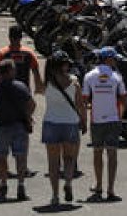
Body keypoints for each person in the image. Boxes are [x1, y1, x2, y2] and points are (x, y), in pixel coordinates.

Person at [0, 59, 35, 202]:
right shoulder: (21, 87)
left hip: (2, 126)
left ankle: (4, 183)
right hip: (19, 126)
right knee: (20, 157)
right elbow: (32, 104)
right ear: (11, 71)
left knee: (1, 156)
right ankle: (20, 185)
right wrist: (28, 116)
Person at [42, 52, 87, 206]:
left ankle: (55, 196)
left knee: (53, 162)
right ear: (62, 65)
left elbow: (38, 89)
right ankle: (68, 182)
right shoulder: (74, 82)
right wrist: (84, 121)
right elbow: (80, 105)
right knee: (69, 158)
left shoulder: (47, 81)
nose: (69, 65)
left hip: (51, 123)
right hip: (70, 123)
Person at [83, 46, 127, 202]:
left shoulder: (89, 76)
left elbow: (84, 99)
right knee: (112, 154)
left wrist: (83, 118)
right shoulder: (117, 77)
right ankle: (111, 190)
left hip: (97, 120)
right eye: (114, 58)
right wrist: (119, 116)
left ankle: (99, 185)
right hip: (113, 120)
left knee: (97, 153)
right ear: (108, 59)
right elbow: (123, 99)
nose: (115, 61)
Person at [0, 25, 45, 93]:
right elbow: (36, 72)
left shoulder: (2, 53)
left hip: (6, 92)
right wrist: (38, 87)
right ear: (21, 37)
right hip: (24, 91)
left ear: (9, 37)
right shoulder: (29, 53)